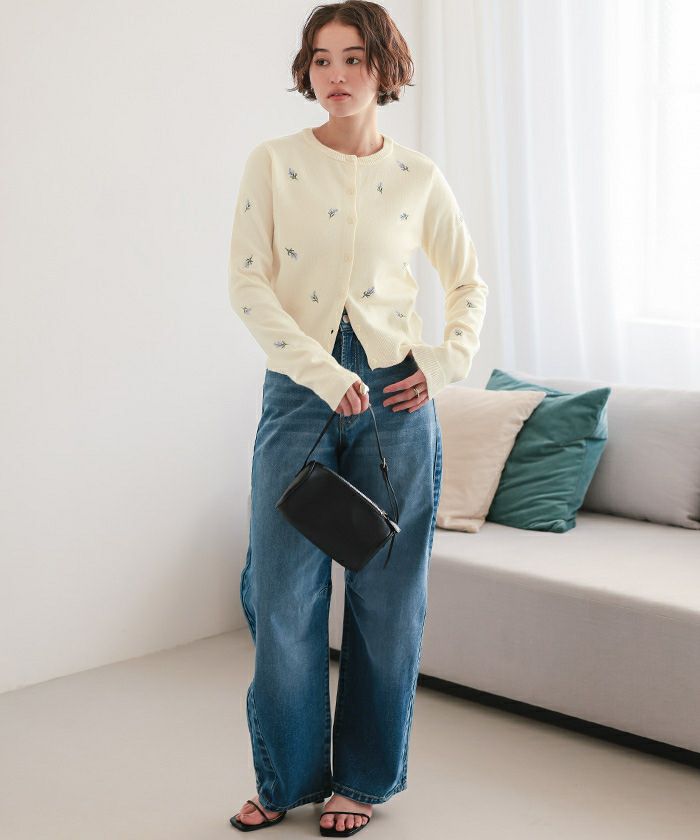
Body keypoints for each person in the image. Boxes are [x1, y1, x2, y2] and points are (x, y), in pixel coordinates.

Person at [227, 2, 488, 835]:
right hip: (299, 394)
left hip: (396, 402)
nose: (335, 74)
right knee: (281, 594)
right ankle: (286, 777)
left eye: (353, 58)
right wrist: (319, 370)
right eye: (321, 58)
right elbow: (247, 283)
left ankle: (364, 782)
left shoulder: (418, 176)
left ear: (385, 68)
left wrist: (440, 364)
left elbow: (468, 284)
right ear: (306, 70)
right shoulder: (274, 162)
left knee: (387, 599)